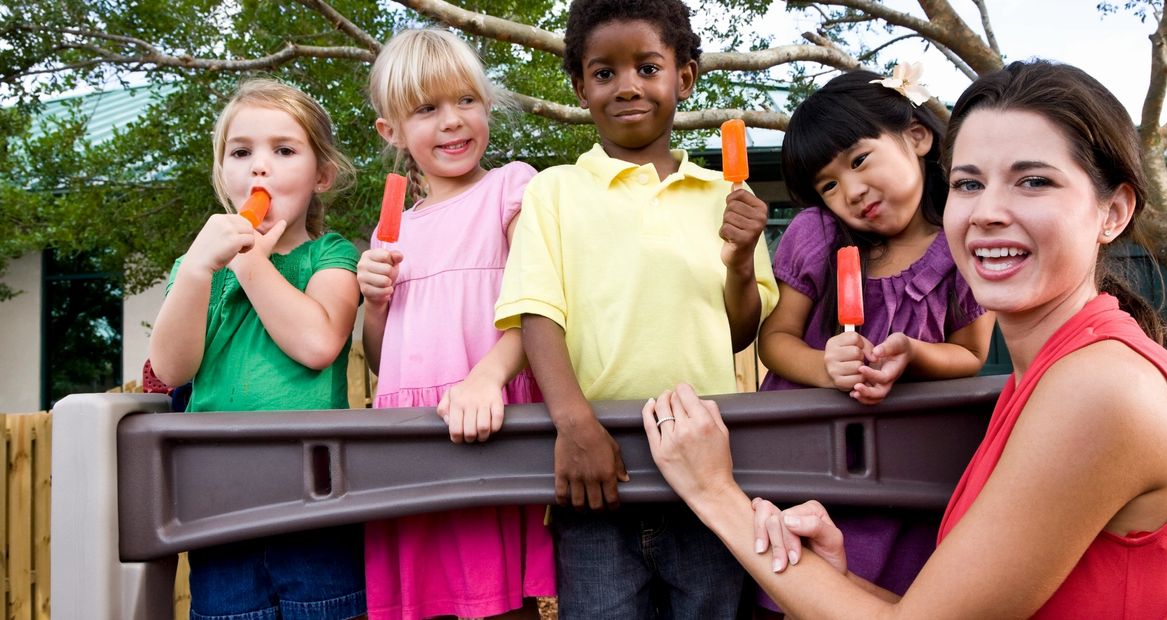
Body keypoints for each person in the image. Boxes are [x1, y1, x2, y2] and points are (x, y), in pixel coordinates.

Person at [643, 60, 1167, 618]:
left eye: (1034, 181)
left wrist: (716, 493)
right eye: (969, 183)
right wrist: (839, 577)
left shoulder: (1101, 390)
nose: (988, 211)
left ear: (1113, 212)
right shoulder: (1055, 375)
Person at [493, 0, 778, 616]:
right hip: (598, 475)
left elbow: (739, 332)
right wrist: (573, 424)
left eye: (648, 67)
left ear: (685, 78)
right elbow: (537, 311)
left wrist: (738, 261)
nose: (627, 87)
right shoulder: (554, 192)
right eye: (604, 73)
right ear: (579, 86)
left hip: (706, 476)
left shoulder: (725, 195)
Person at [755, 67, 994, 599]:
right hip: (805, 465)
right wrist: (824, 366)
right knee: (791, 592)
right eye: (829, 184)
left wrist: (915, 354)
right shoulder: (817, 233)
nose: (852, 191)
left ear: (917, 136)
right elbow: (775, 338)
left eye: (860, 160)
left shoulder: (964, 242)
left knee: (892, 596)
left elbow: (971, 353)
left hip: (905, 475)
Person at [149, 79, 365, 619]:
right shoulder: (196, 268)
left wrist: (250, 262)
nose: (258, 168)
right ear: (223, 172)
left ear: (322, 177)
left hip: (315, 497)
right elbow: (173, 368)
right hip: (218, 498)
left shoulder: (330, 255)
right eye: (241, 152)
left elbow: (318, 343)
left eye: (283, 150)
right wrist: (200, 269)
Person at [357, 28, 554, 620]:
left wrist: (486, 377)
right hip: (410, 436)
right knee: (424, 603)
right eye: (427, 108)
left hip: (489, 423)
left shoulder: (511, 188)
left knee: (494, 602)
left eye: (466, 100)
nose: (452, 121)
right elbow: (376, 358)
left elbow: (540, 305)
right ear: (390, 131)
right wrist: (374, 306)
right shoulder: (392, 232)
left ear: (487, 105)